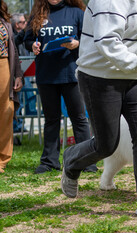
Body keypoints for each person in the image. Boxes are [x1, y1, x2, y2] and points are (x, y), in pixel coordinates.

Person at [60, 0, 137, 218]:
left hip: (136, 78)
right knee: (106, 145)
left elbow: (134, 38)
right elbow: (108, 42)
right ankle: (72, 160)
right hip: (100, 78)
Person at [24, 0, 97, 174]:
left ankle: (86, 161)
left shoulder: (77, 12)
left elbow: (90, 38)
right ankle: (49, 161)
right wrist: (33, 45)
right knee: (51, 120)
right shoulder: (38, 14)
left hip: (71, 75)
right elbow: (27, 39)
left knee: (79, 119)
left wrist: (77, 44)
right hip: (46, 76)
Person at [0, 0, 24, 173]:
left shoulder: (5, 23)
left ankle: (2, 158)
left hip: (3, 67)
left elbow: (13, 50)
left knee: (5, 111)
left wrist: (18, 75)